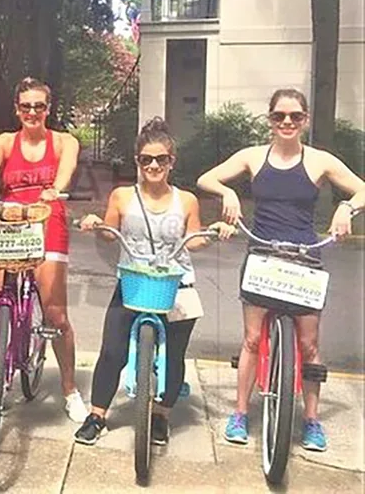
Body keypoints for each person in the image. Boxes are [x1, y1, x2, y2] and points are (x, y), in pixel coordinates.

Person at [197, 88, 364, 452]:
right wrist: (227, 194)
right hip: (262, 254)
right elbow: (206, 179)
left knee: (310, 343)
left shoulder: (320, 161)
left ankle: (312, 419)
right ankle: (240, 413)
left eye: (295, 117)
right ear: (270, 120)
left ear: (304, 120)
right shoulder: (253, 157)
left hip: (305, 257)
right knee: (253, 339)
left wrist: (347, 208)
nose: (287, 122)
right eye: (279, 117)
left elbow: (362, 189)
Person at [73, 117, 235, 445]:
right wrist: (95, 224)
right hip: (133, 281)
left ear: (171, 162)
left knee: (174, 355)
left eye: (161, 159)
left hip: (176, 284)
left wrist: (214, 234)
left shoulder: (185, 200)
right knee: (112, 351)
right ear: (137, 162)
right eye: (146, 159)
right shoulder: (122, 196)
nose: (153, 165)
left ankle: (161, 415)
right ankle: (98, 415)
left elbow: (193, 240)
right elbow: (109, 235)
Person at [0, 77, 87, 422]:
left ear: (48, 109)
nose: (32, 112)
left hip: (49, 221)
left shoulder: (64, 142)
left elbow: (66, 170)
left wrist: (55, 189)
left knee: (56, 315)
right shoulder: (5, 142)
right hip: (11, 223)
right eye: (26, 106)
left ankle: (69, 389)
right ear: (16, 109)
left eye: (39, 106)